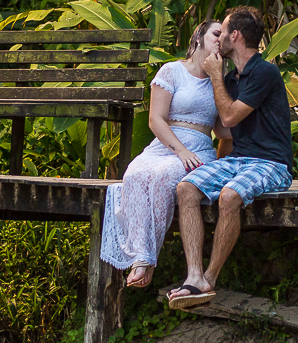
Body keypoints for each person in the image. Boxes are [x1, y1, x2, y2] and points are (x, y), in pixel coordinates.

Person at [166, 6, 293, 310]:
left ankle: (209, 279)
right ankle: (193, 276)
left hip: (272, 163)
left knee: (229, 196)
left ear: (234, 36)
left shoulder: (264, 72)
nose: (218, 37)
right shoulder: (234, 78)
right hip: (239, 159)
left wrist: (214, 76)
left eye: (222, 31)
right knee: (186, 188)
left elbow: (230, 116)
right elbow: (223, 130)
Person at [99, 19, 230, 288]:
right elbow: (155, 119)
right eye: (216, 33)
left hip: (199, 148)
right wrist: (179, 150)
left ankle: (145, 261)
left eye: (224, 36)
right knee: (134, 174)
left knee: (163, 177)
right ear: (199, 37)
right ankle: (141, 258)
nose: (221, 38)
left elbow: (223, 128)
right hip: (166, 143)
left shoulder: (220, 81)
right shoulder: (171, 71)